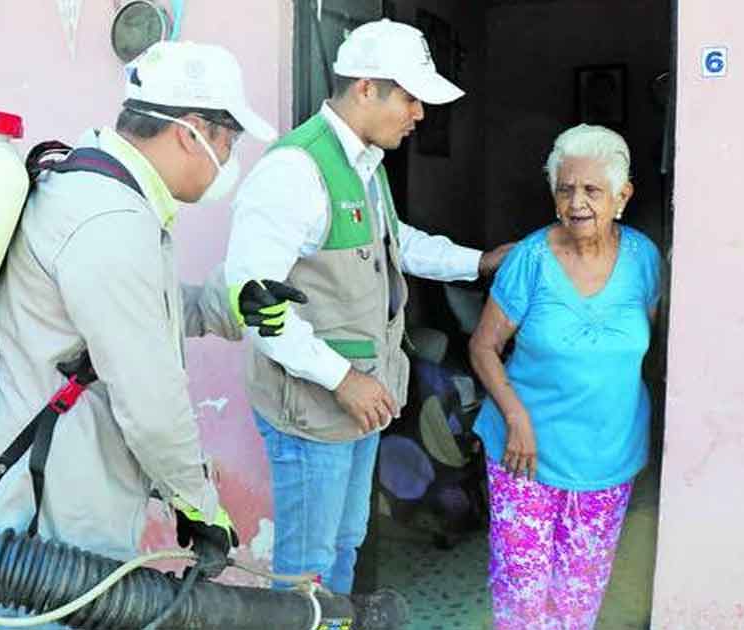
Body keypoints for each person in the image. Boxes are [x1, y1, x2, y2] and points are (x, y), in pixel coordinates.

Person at [0, 41, 304, 627]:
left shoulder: (93, 189)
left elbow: (140, 311)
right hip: (61, 503)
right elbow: (151, 403)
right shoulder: (110, 222)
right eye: (229, 143)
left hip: (64, 481)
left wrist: (227, 303)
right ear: (191, 131)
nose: (228, 161)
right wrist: (200, 504)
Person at [224, 19, 513, 596]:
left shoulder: (363, 166)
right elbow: (251, 303)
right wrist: (341, 379)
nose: (419, 114)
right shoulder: (296, 170)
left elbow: (396, 244)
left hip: (359, 399)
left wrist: (479, 262)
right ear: (365, 89)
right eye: (409, 97)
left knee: (343, 545)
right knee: (306, 567)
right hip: (315, 405)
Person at [468, 124, 662, 629]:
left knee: (579, 599)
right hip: (524, 454)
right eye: (565, 188)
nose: (577, 202)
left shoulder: (644, 260)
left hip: (608, 456)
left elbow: (651, 346)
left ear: (623, 197)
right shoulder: (530, 260)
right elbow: (484, 346)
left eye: (593, 190)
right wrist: (516, 418)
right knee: (523, 596)